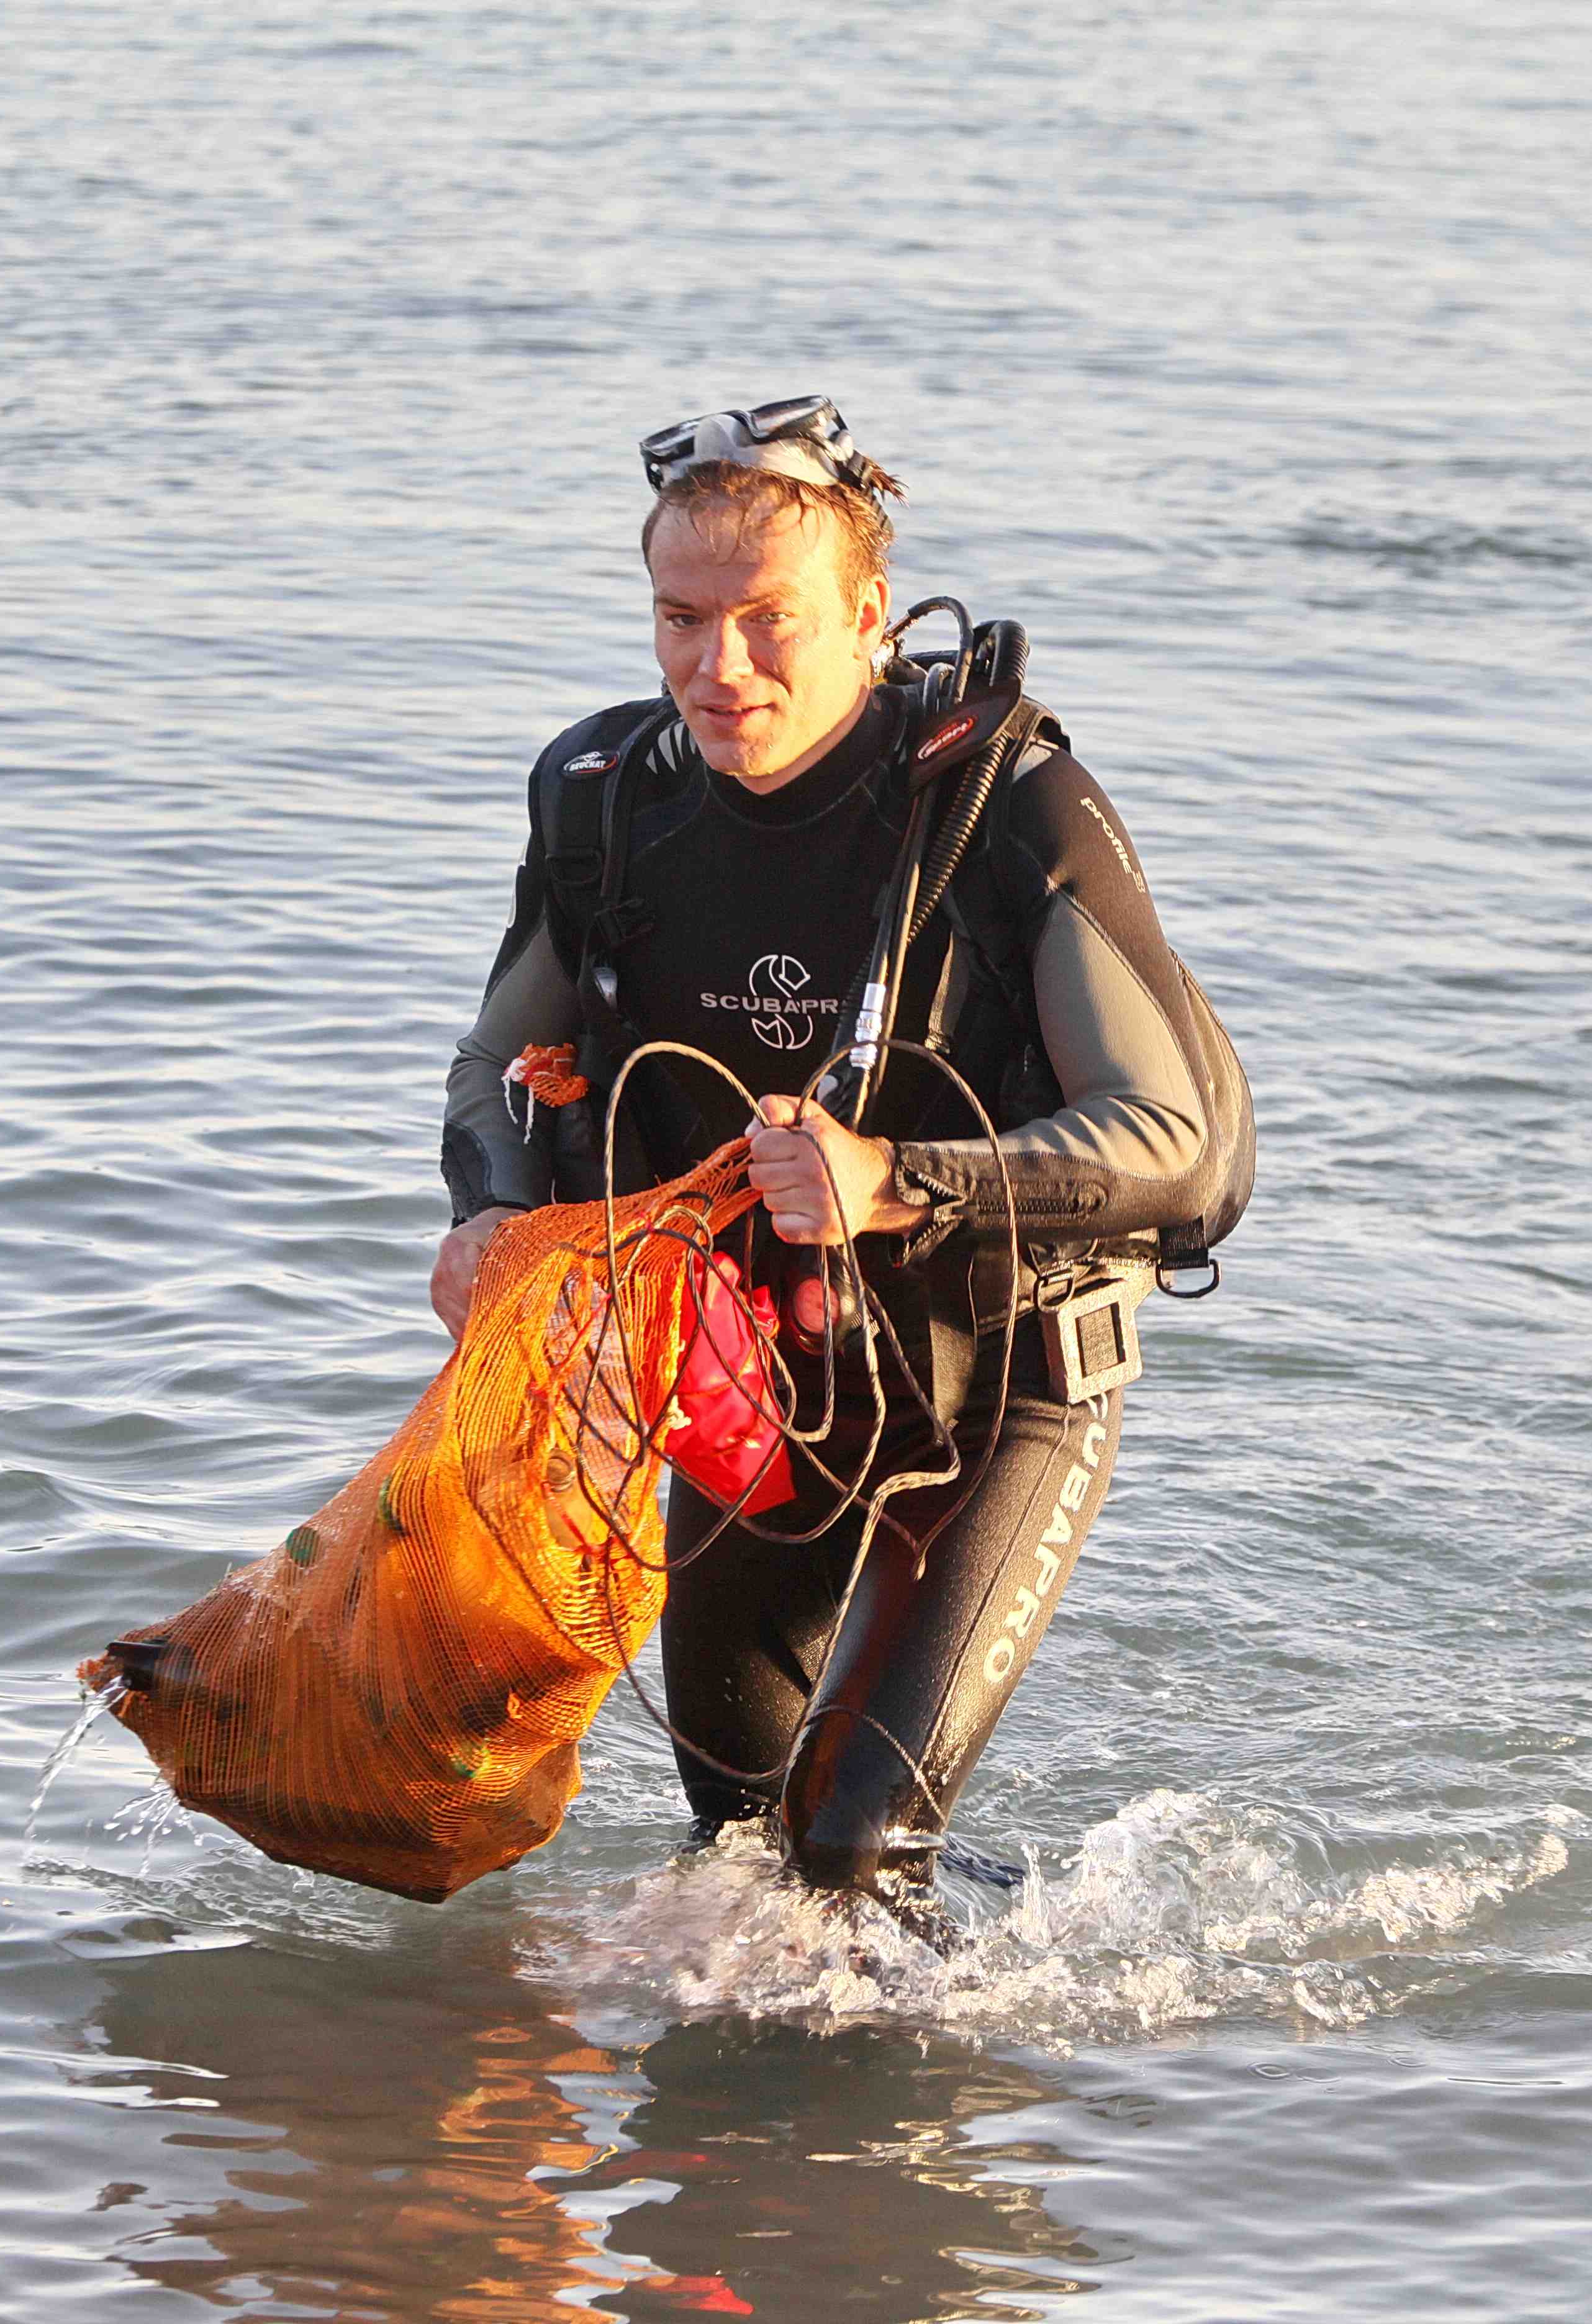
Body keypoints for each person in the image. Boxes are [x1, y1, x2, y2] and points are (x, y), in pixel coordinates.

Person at [431, 397, 1237, 1911]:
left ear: (868, 616)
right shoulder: (608, 807)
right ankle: (838, 2053)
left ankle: (1041, 2032)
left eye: (768, 619)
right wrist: (493, 1220)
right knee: (735, 1847)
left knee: (852, 1842)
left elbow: (1174, 1141)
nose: (718, 667)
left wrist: (893, 1180)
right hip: (766, 1385)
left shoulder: (1006, 806)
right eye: (681, 620)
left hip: (1006, 1379)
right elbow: (490, 1067)